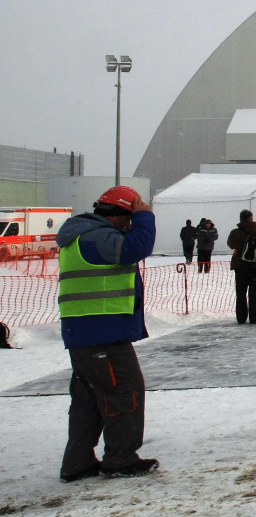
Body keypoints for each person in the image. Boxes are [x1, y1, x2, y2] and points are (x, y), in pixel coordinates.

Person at [55, 185, 159, 481]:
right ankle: (120, 458)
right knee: (124, 391)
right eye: (128, 218)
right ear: (119, 215)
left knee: (88, 400)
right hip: (102, 333)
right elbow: (135, 249)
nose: (130, 224)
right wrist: (144, 218)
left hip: (84, 332)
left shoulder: (80, 236)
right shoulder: (97, 237)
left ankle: (77, 462)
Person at [227, 209, 256, 325]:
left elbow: (230, 244)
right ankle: (254, 317)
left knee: (240, 293)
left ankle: (241, 318)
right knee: (255, 292)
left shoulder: (235, 232)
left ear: (240, 219)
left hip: (240, 266)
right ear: (251, 218)